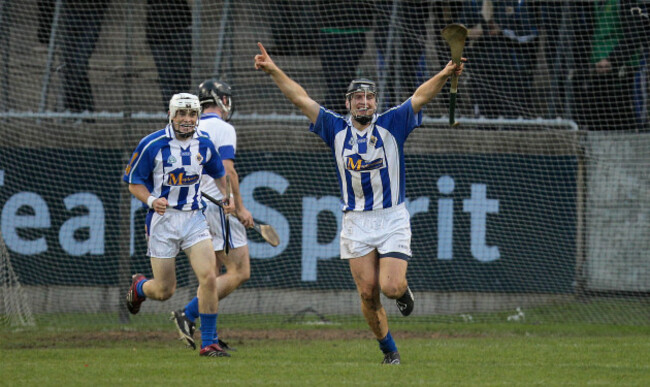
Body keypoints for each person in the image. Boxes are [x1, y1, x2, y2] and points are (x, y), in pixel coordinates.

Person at [254, 42, 464, 365]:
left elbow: (421, 96)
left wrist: (446, 72)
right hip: (356, 220)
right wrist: (272, 70)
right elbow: (300, 98)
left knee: (391, 287)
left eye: (369, 97)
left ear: (375, 102)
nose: (364, 102)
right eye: (358, 97)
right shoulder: (335, 128)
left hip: (392, 216)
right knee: (368, 293)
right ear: (349, 103)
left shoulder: (392, 124)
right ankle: (389, 351)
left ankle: (403, 292)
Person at [123, 93, 235, 358]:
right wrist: (151, 200)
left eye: (192, 114)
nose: (187, 119)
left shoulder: (205, 144)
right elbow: (133, 182)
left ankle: (209, 343)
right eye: (182, 114)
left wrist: (226, 198)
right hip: (163, 222)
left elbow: (221, 175)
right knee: (164, 290)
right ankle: (139, 287)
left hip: (195, 218)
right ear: (172, 116)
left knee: (209, 277)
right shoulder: (152, 144)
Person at [170, 80, 254, 351]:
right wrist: (239, 207)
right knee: (240, 270)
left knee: (212, 273)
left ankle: (210, 335)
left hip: (194, 206)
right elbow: (228, 170)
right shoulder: (223, 128)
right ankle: (188, 314)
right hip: (219, 205)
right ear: (221, 100)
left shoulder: (189, 126)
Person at [38, 0, 109, 114]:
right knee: (69, 64)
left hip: (94, 12)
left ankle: (75, 108)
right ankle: (81, 109)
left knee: (79, 63)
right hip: (68, 11)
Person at [146, 0, 192, 108]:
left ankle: (183, 112)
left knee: (182, 76)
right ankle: (172, 115)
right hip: (157, 30)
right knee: (166, 79)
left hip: (180, 25)